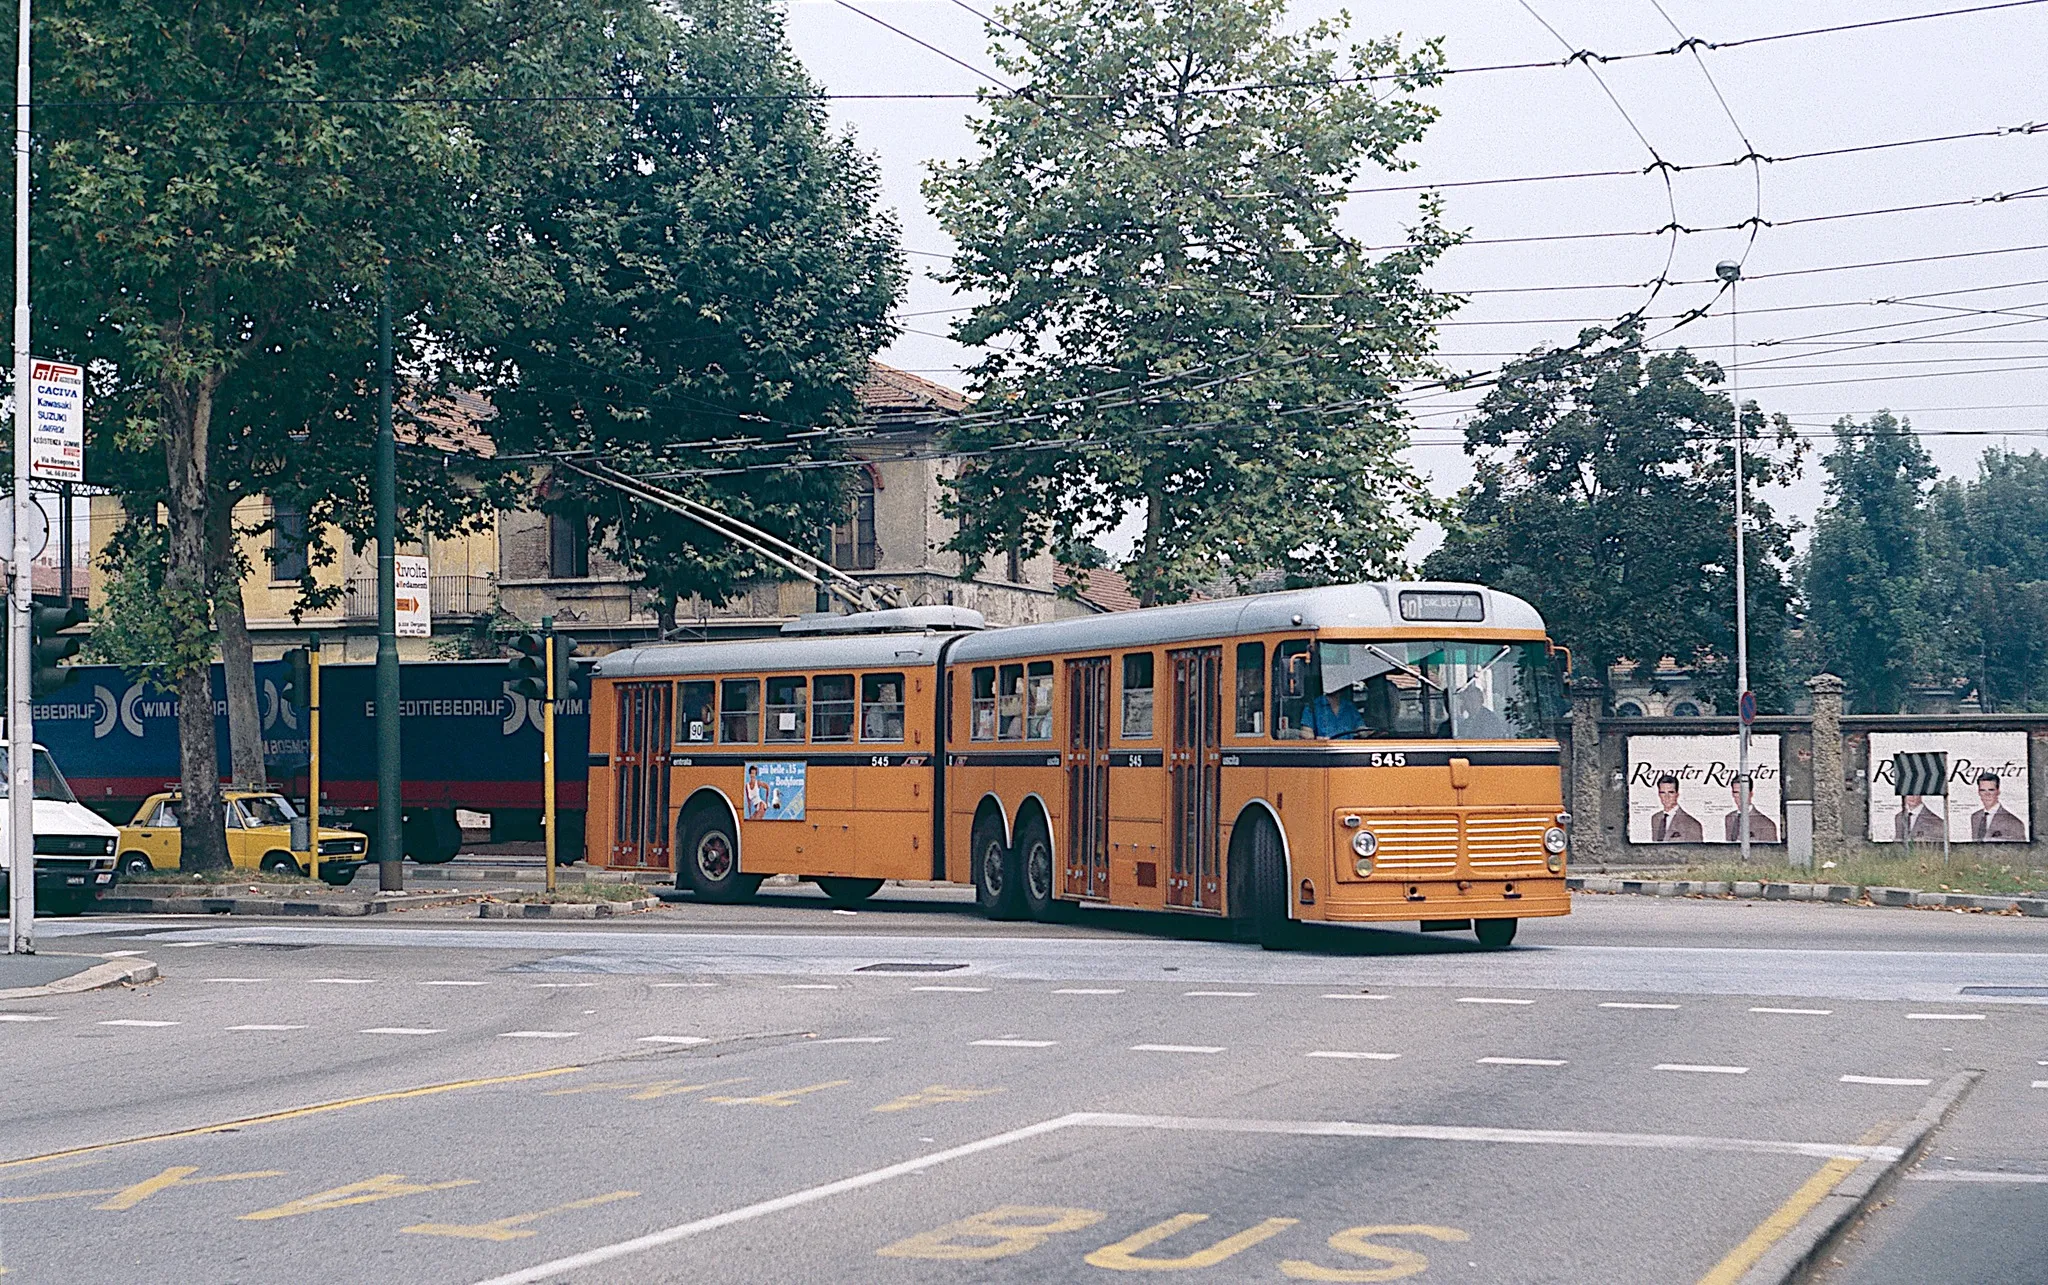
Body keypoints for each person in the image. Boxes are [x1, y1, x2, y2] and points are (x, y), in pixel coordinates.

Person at [1969, 771, 2025, 841]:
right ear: (1978, 792)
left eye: (1991, 790)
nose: (1987, 794)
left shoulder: (2014, 823)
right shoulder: (1975, 817)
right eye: (1983, 790)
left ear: (1998, 791)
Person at [1723, 777, 1778, 842]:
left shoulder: (1766, 824)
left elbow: (1770, 851)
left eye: (1744, 792)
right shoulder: (1729, 818)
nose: (1740, 796)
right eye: (1736, 792)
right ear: (1732, 794)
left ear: (1751, 794)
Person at [1650, 774, 1703, 842]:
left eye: (1671, 792)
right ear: (1659, 794)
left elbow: (1696, 851)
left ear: (1677, 794)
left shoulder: (1691, 824)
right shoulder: (1655, 818)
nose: (1667, 797)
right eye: (1663, 793)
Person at [1299, 687, 1366, 738]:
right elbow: (1307, 733)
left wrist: (1365, 732)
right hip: (1323, 753)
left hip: (1349, 751)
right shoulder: (1312, 706)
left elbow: (1361, 728)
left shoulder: (1349, 707)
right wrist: (1315, 738)